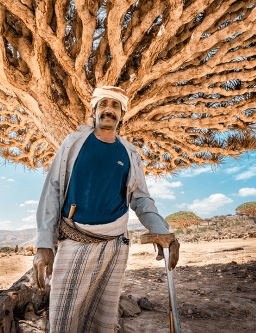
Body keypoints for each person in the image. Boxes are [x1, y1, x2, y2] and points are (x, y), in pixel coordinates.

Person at [33, 86, 180, 333]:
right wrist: (44, 244)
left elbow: (141, 199)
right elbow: (52, 191)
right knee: (63, 321)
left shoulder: (130, 152)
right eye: (103, 104)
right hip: (74, 241)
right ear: (95, 111)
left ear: (121, 114)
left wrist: (162, 230)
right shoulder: (74, 143)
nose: (108, 110)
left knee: (103, 321)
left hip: (114, 246)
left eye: (115, 106)